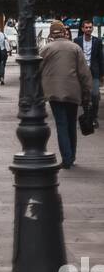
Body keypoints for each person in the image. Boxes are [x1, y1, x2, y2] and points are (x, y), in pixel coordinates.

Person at [41, 19, 93, 169]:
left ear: (51, 33)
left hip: (54, 93)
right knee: (71, 124)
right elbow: (84, 73)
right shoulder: (75, 48)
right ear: (64, 32)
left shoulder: (46, 49)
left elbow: (36, 68)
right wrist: (87, 92)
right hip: (73, 91)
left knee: (61, 124)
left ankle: (66, 158)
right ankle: (72, 155)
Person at [75, 20, 103, 127]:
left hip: (94, 72)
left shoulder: (97, 41)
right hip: (82, 72)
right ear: (82, 29)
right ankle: (87, 116)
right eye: (86, 27)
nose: (88, 29)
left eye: (90, 27)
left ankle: (94, 117)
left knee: (95, 95)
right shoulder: (77, 41)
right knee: (84, 96)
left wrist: (102, 74)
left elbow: (101, 58)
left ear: (92, 28)